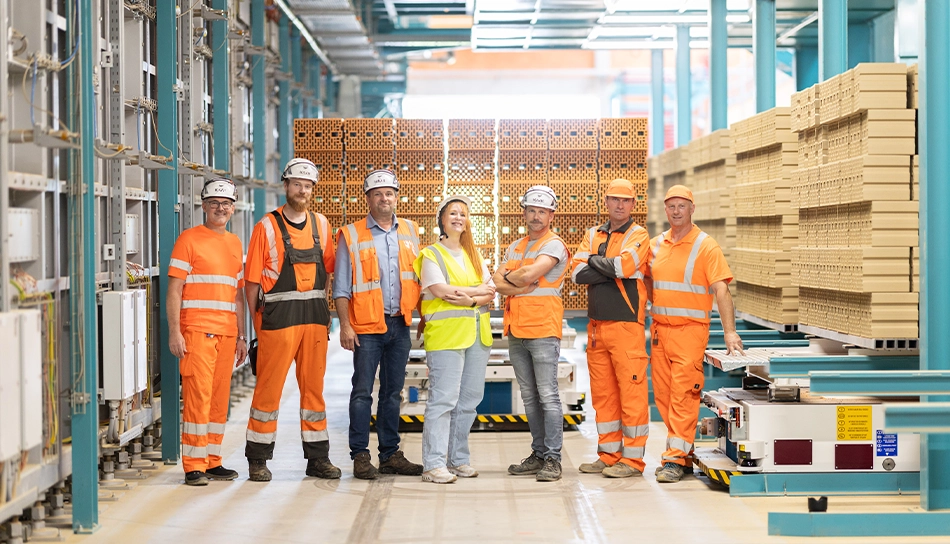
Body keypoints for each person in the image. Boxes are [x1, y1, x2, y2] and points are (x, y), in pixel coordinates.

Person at [243, 158, 338, 481]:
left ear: (313, 190)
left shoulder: (322, 225)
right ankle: (257, 459)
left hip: (313, 321)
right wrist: (258, 327)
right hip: (277, 323)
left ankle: (318, 458)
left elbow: (329, 272)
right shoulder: (265, 226)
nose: (302, 190)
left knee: (314, 392)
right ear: (285, 186)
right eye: (297, 184)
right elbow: (252, 282)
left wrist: (325, 315)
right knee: (268, 392)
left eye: (308, 185)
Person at [646, 184, 743, 483]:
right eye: (671, 207)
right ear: (665, 210)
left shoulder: (705, 245)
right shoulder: (655, 245)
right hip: (661, 332)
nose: (676, 212)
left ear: (692, 209)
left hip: (690, 331)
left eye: (681, 206)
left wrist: (730, 333)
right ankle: (684, 454)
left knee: (684, 395)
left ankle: (675, 459)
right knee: (663, 395)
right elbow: (645, 284)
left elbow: (721, 290)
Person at [334, 169, 424, 480]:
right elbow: (342, 288)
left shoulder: (411, 231)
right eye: (377, 194)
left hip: (400, 324)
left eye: (389, 193)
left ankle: (389, 454)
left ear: (397, 197)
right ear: (368, 199)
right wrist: (345, 326)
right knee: (362, 392)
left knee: (392, 391)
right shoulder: (352, 234)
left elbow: (419, 279)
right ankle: (360, 455)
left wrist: (423, 316)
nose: (384, 198)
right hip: (366, 327)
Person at [166, 178, 248, 486]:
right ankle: (193, 465)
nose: (220, 208)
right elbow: (174, 290)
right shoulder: (189, 239)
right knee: (198, 397)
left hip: (227, 333)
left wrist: (241, 336)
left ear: (233, 209)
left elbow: (238, 295)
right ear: (204, 207)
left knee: (218, 399)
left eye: (226, 204)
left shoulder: (235, 243)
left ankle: (213, 460)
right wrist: (175, 331)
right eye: (214, 203)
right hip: (197, 331)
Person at [571, 178, 652, 479]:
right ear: (605, 201)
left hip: (626, 326)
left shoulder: (639, 234)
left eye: (625, 200)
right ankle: (608, 455)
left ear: (633, 204)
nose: (620, 205)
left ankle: (632, 461)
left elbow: (625, 268)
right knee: (603, 395)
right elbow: (577, 273)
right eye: (614, 199)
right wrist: (605, 264)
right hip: (596, 327)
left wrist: (595, 261)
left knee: (631, 394)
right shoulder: (594, 233)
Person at [413, 195, 495, 484]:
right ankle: (433, 464)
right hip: (447, 337)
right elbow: (439, 290)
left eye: (463, 213)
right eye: (452, 213)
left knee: (470, 400)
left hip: (477, 334)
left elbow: (491, 291)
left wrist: (468, 296)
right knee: (443, 400)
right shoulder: (431, 255)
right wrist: (475, 293)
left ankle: (457, 459)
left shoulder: (474, 254)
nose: (458, 217)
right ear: (442, 221)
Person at [492, 186, 570, 482]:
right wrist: (519, 283)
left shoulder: (554, 245)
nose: (536, 216)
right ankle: (538, 454)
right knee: (529, 397)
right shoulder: (516, 246)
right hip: (517, 330)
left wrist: (516, 279)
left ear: (551, 215)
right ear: (524, 212)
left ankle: (552, 458)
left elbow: (522, 275)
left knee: (548, 396)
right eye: (531, 210)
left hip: (543, 330)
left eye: (542, 211)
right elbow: (496, 282)